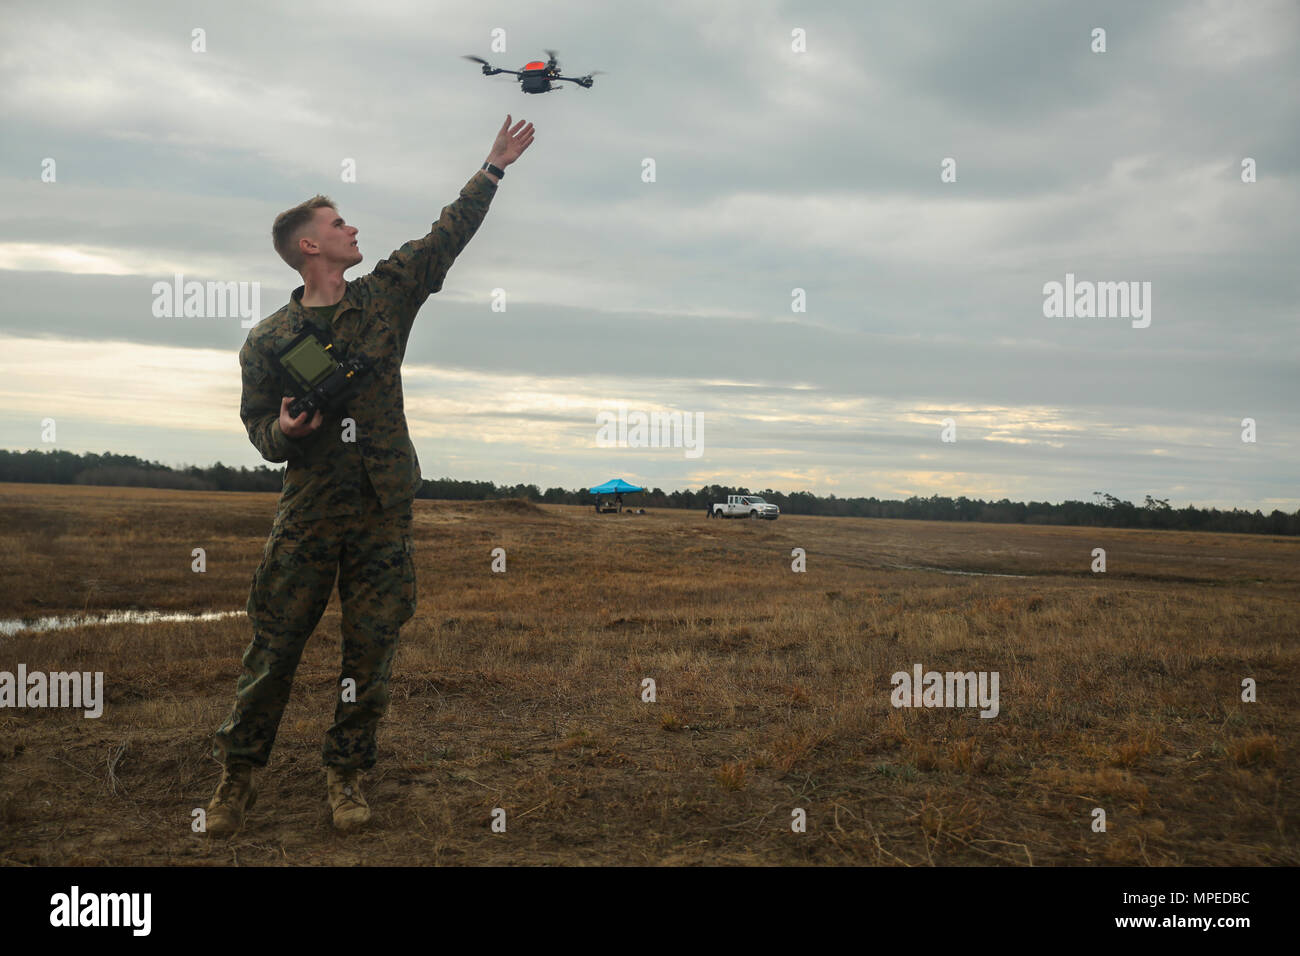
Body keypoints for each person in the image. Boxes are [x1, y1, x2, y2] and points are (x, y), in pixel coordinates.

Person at [206, 115, 535, 836]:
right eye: (339, 222)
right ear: (308, 245)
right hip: (310, 515)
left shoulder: (387, 297)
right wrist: (284, 432)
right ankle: (237, 776)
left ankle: (347, 775)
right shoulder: (268, 341)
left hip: (383, 512)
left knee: (371, 651)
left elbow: (445, 236)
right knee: (274, 648)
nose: (354, 230)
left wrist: (493, 168)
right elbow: (257, 428)